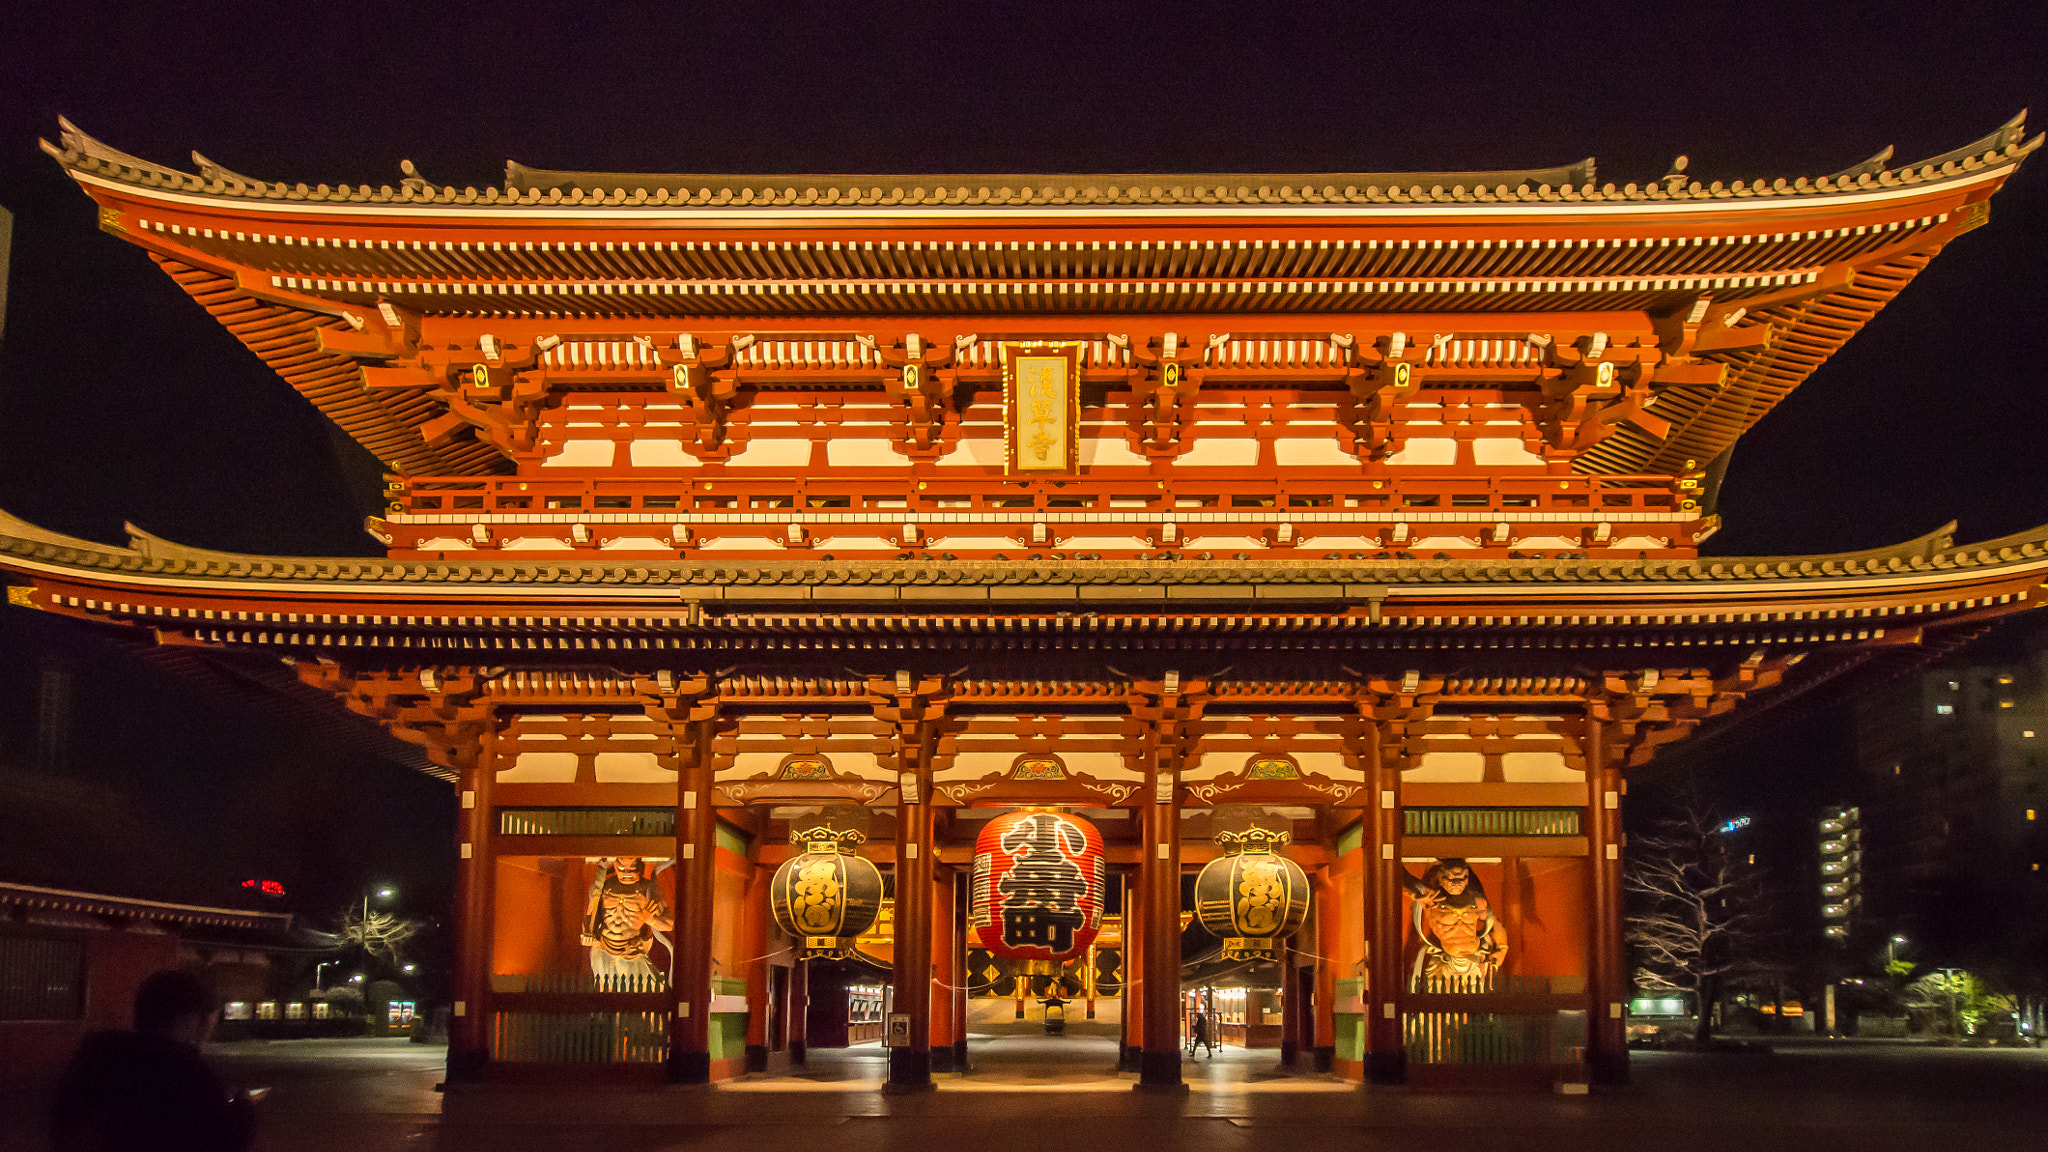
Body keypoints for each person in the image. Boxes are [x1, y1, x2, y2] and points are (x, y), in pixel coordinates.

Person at [50, 968, 256, 1152]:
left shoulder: (96, 1059)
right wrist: (242, 1112)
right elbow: (219, 1142)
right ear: (190, 1021)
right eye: (211, 1022)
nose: (210, 1032)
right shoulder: (190, 1077)